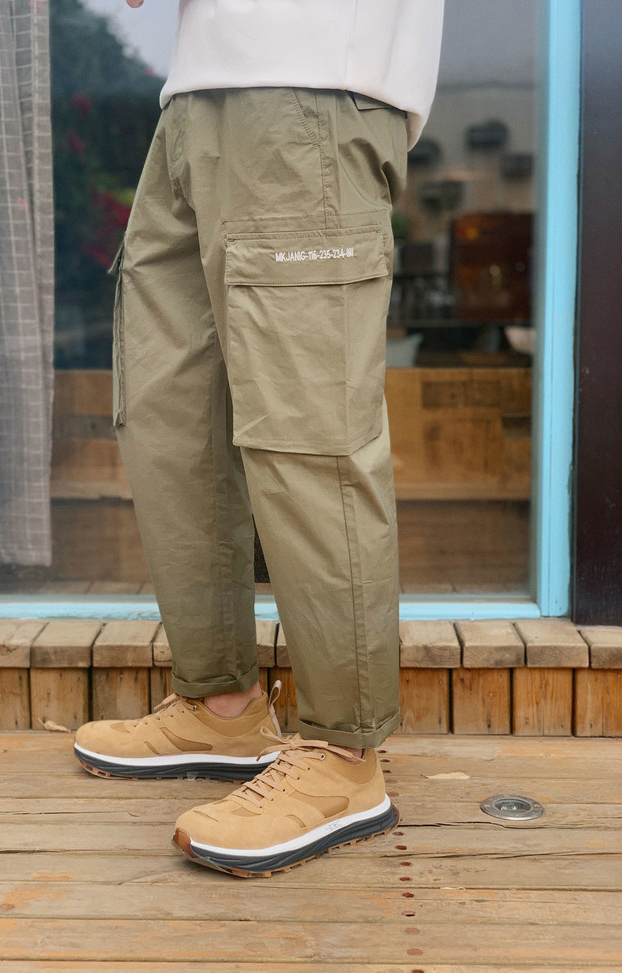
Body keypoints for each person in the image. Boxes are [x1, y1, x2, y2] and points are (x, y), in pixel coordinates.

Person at [74, 0, 444, 877]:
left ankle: (345, 757)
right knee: (175, 421)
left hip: (310, 91)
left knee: (308, 435)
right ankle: (222, 705)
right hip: (192, 102)